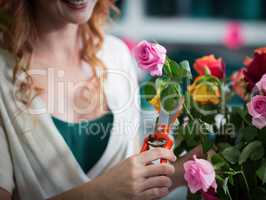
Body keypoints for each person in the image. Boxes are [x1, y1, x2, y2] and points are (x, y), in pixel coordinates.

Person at [0, 0, 203, 199]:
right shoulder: (3, 73)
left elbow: (132, 190)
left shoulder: (117, 55)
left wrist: (187, 169)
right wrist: (101, 191)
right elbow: (116, 189)